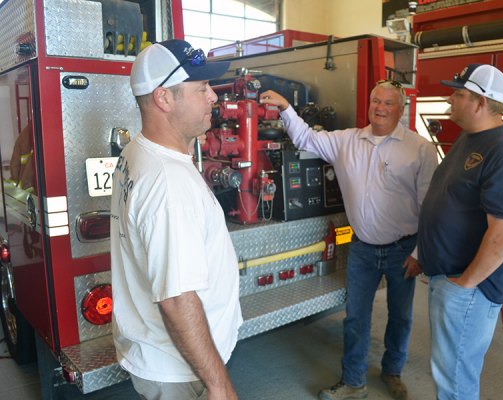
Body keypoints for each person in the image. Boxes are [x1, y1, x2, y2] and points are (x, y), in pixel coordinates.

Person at [260, 81, 438, 400]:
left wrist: (419, 251)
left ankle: (392, 371)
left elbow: (429, 205)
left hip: (402, 249)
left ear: (401, 108)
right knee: (355, 317)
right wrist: (286, 109)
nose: (380, 108)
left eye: (388, 103)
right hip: (363, 248)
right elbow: (305, 138)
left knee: (401, 316)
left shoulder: (420, 149)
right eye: (375, 101)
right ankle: (354, 382)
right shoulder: (346, 141)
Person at [110, 39, 243, 400]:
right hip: (180, 368)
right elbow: (177, 298)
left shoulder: (137, 151)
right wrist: (218, 384)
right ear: (164, 99)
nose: (214, 97)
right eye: (201, 88)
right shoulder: (168, 183)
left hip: (168, 356)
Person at [417, 64, 503, 400]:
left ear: (481, 102)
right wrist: (422, 255)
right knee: (448, 373)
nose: (449, 98)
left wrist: (463, 286)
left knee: (455, 379)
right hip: (450, 278)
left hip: (469, 288)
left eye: (458, 93)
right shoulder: (471, 139)